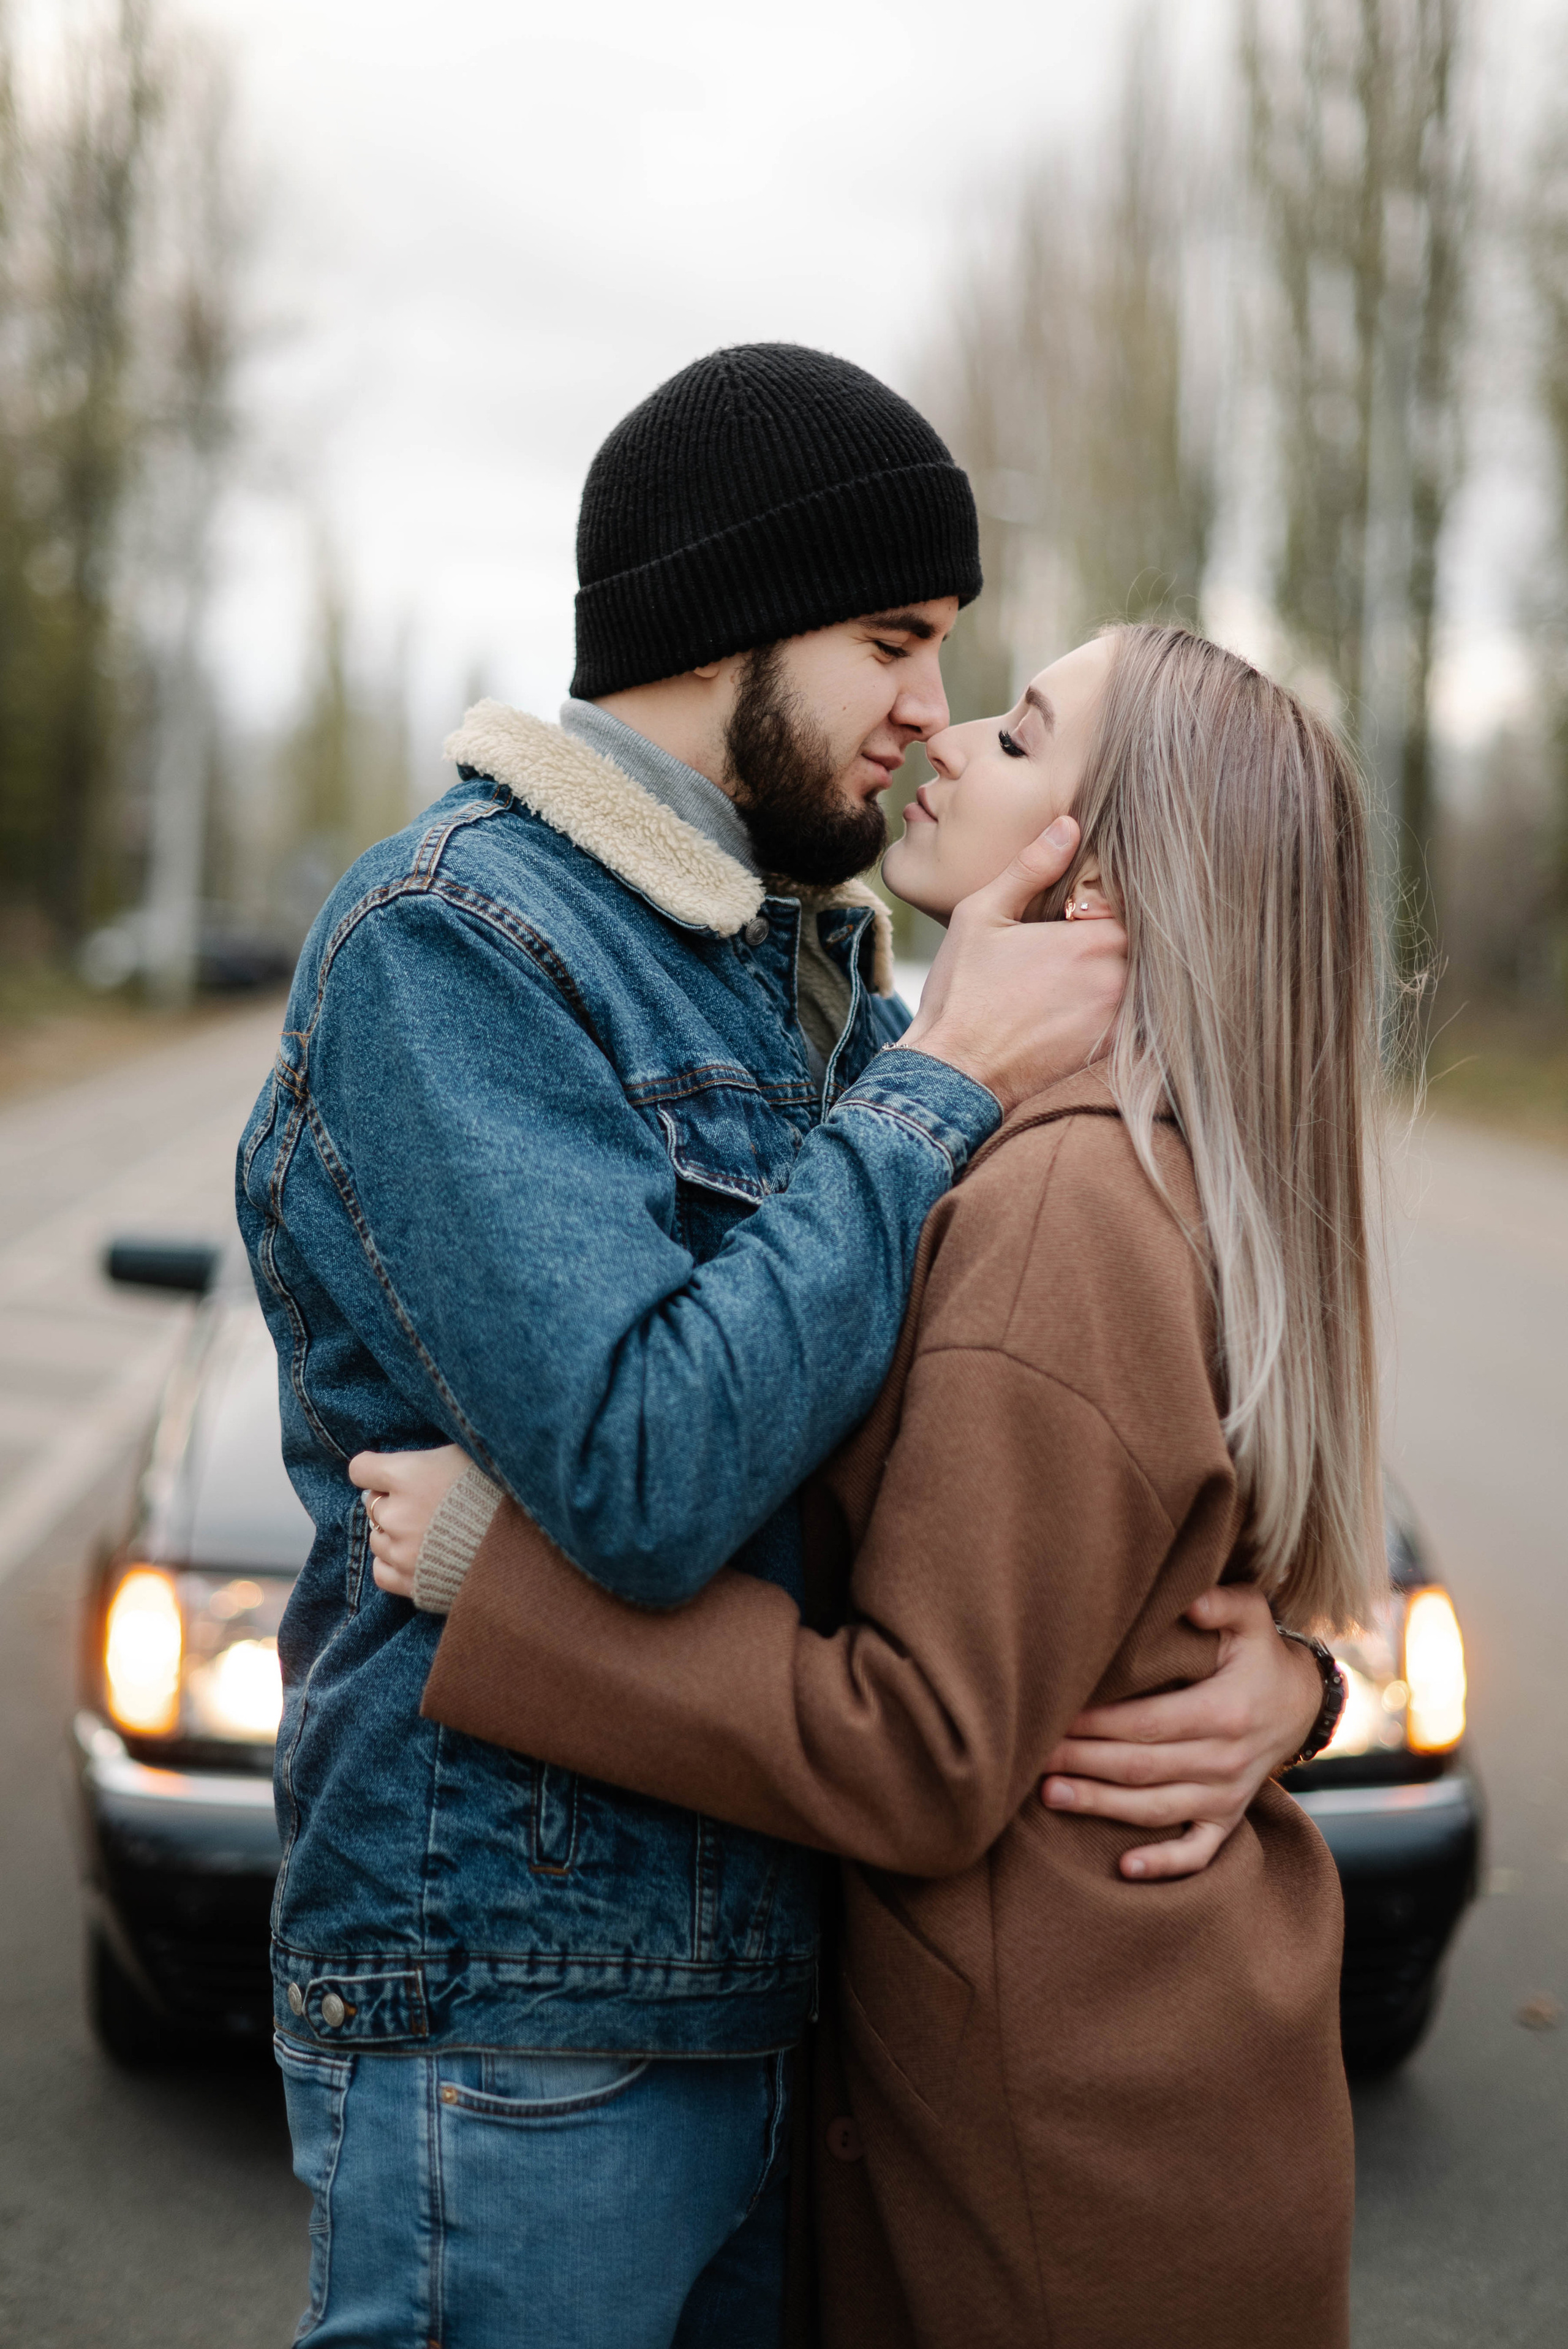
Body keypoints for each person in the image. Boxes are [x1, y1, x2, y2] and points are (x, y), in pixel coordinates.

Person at [241, 343, 1329, 2349]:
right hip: (522, 2006)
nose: (929, 717)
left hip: (785, 2003)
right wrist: (932, 1086)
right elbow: (651, 1476)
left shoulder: (805, 970)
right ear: (730, 619)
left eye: (964, 667)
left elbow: (1022, 1484)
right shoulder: (456, 941)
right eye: (896, 640)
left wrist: (1288, 1671)